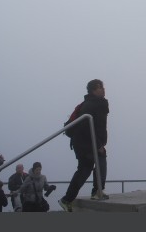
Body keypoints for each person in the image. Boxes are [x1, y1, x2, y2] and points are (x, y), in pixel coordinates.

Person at [59, 78, 110, 212]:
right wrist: (98, 144)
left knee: (92, 165)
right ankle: (69, 199)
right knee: (86, 168)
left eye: (103, 86)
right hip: (84, 142)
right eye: (99, 87)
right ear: (93, 90)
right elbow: (85, 127)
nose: (103, 89)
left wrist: (99, 143)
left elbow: (99, 126)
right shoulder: (91, 104)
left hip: (88, 141)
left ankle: (95, 191)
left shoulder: (99, 103)